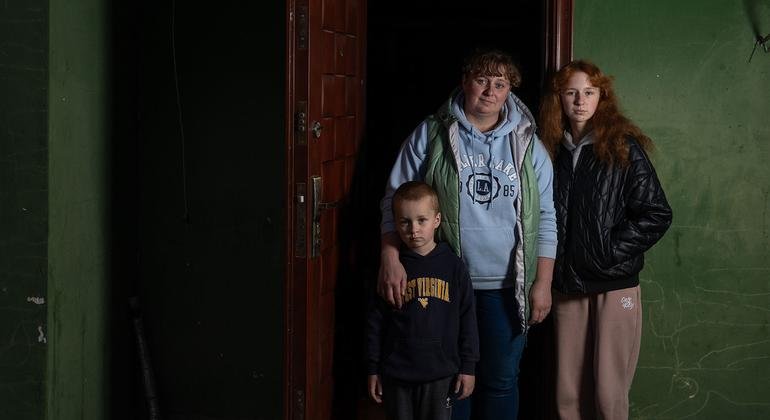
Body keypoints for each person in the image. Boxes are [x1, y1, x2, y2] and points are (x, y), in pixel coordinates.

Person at [378, 49, 557, 420]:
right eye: (481, 80)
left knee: (501, 381)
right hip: (444, 282)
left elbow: (546, 216)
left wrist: (543, 282)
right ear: (465, 82)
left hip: (507, 288)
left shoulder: (528, 143)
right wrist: (390, 258)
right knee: (452, 381)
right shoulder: (431, 133)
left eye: (500, 84)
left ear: (509, 91)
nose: (490, 91)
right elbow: (395, 200)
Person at [538, 60, 673, 420]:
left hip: (615, 286)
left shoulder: (622, 146)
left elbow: (657, 213)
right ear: (559, 99)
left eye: (589, 92)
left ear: (602, 97)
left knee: (608, 393)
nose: (580, 101)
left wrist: (607, 253)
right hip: (568, 286)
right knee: (568, 393)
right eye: (571, 93)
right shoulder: (550, 150)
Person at [366, 181, 479, 420]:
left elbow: (468, 319)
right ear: (395, 223)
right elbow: (376, 322)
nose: (413, 230)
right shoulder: (392, 270)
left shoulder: (453, 266)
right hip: (397, 373)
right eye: (405, 222)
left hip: (441, 373)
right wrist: (373, 368)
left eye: (421, 220)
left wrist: (468, 367)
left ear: (437, 220)